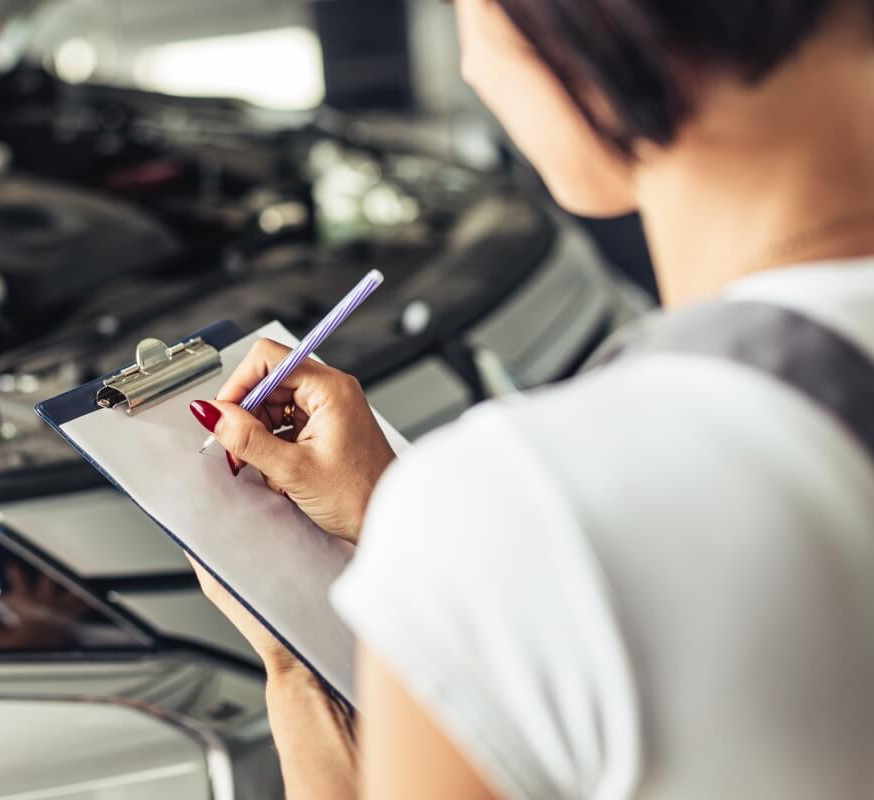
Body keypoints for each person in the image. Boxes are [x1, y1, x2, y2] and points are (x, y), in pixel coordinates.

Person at [185, 1, 874, 798]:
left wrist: (297, 665)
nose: (475, 68)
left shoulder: (530, 509)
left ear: (584, 34)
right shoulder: (523, 526)